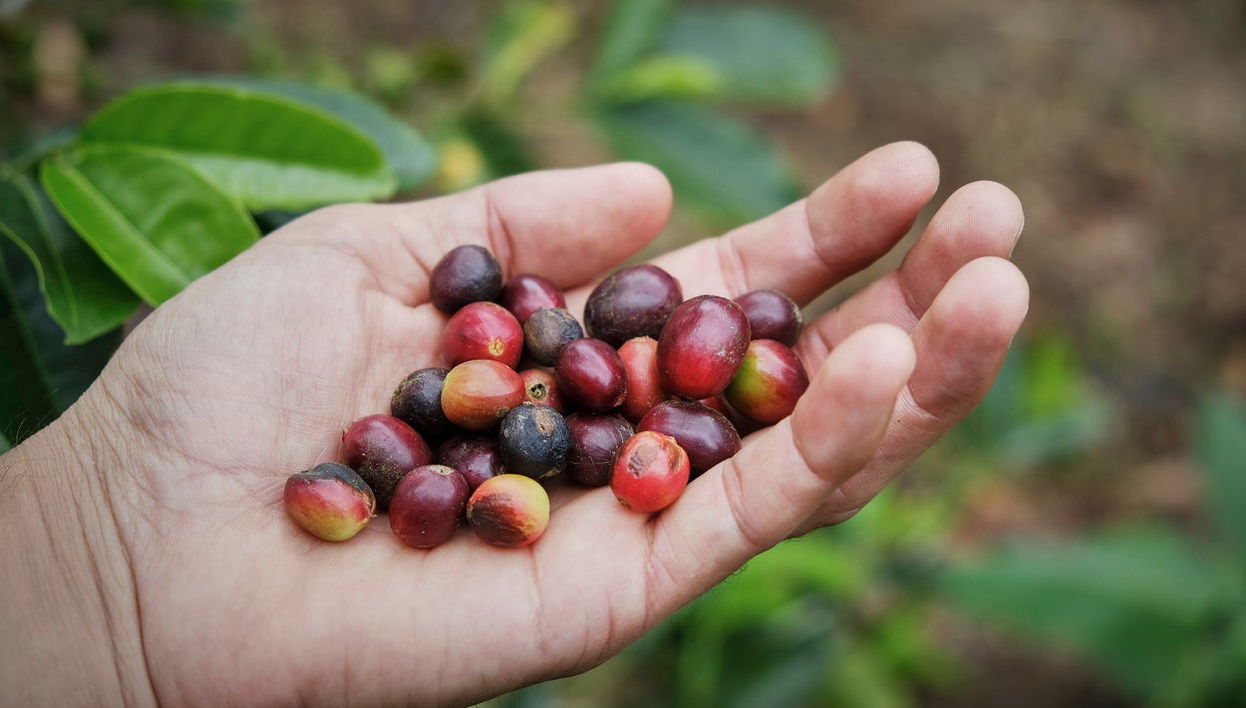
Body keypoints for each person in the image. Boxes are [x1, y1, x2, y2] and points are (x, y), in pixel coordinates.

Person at [0, 142, 1028, 706]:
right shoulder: (505, 396)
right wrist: (100, 558)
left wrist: (102, 580)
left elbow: (565, 402)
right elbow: (500, 416)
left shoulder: (576, 390)